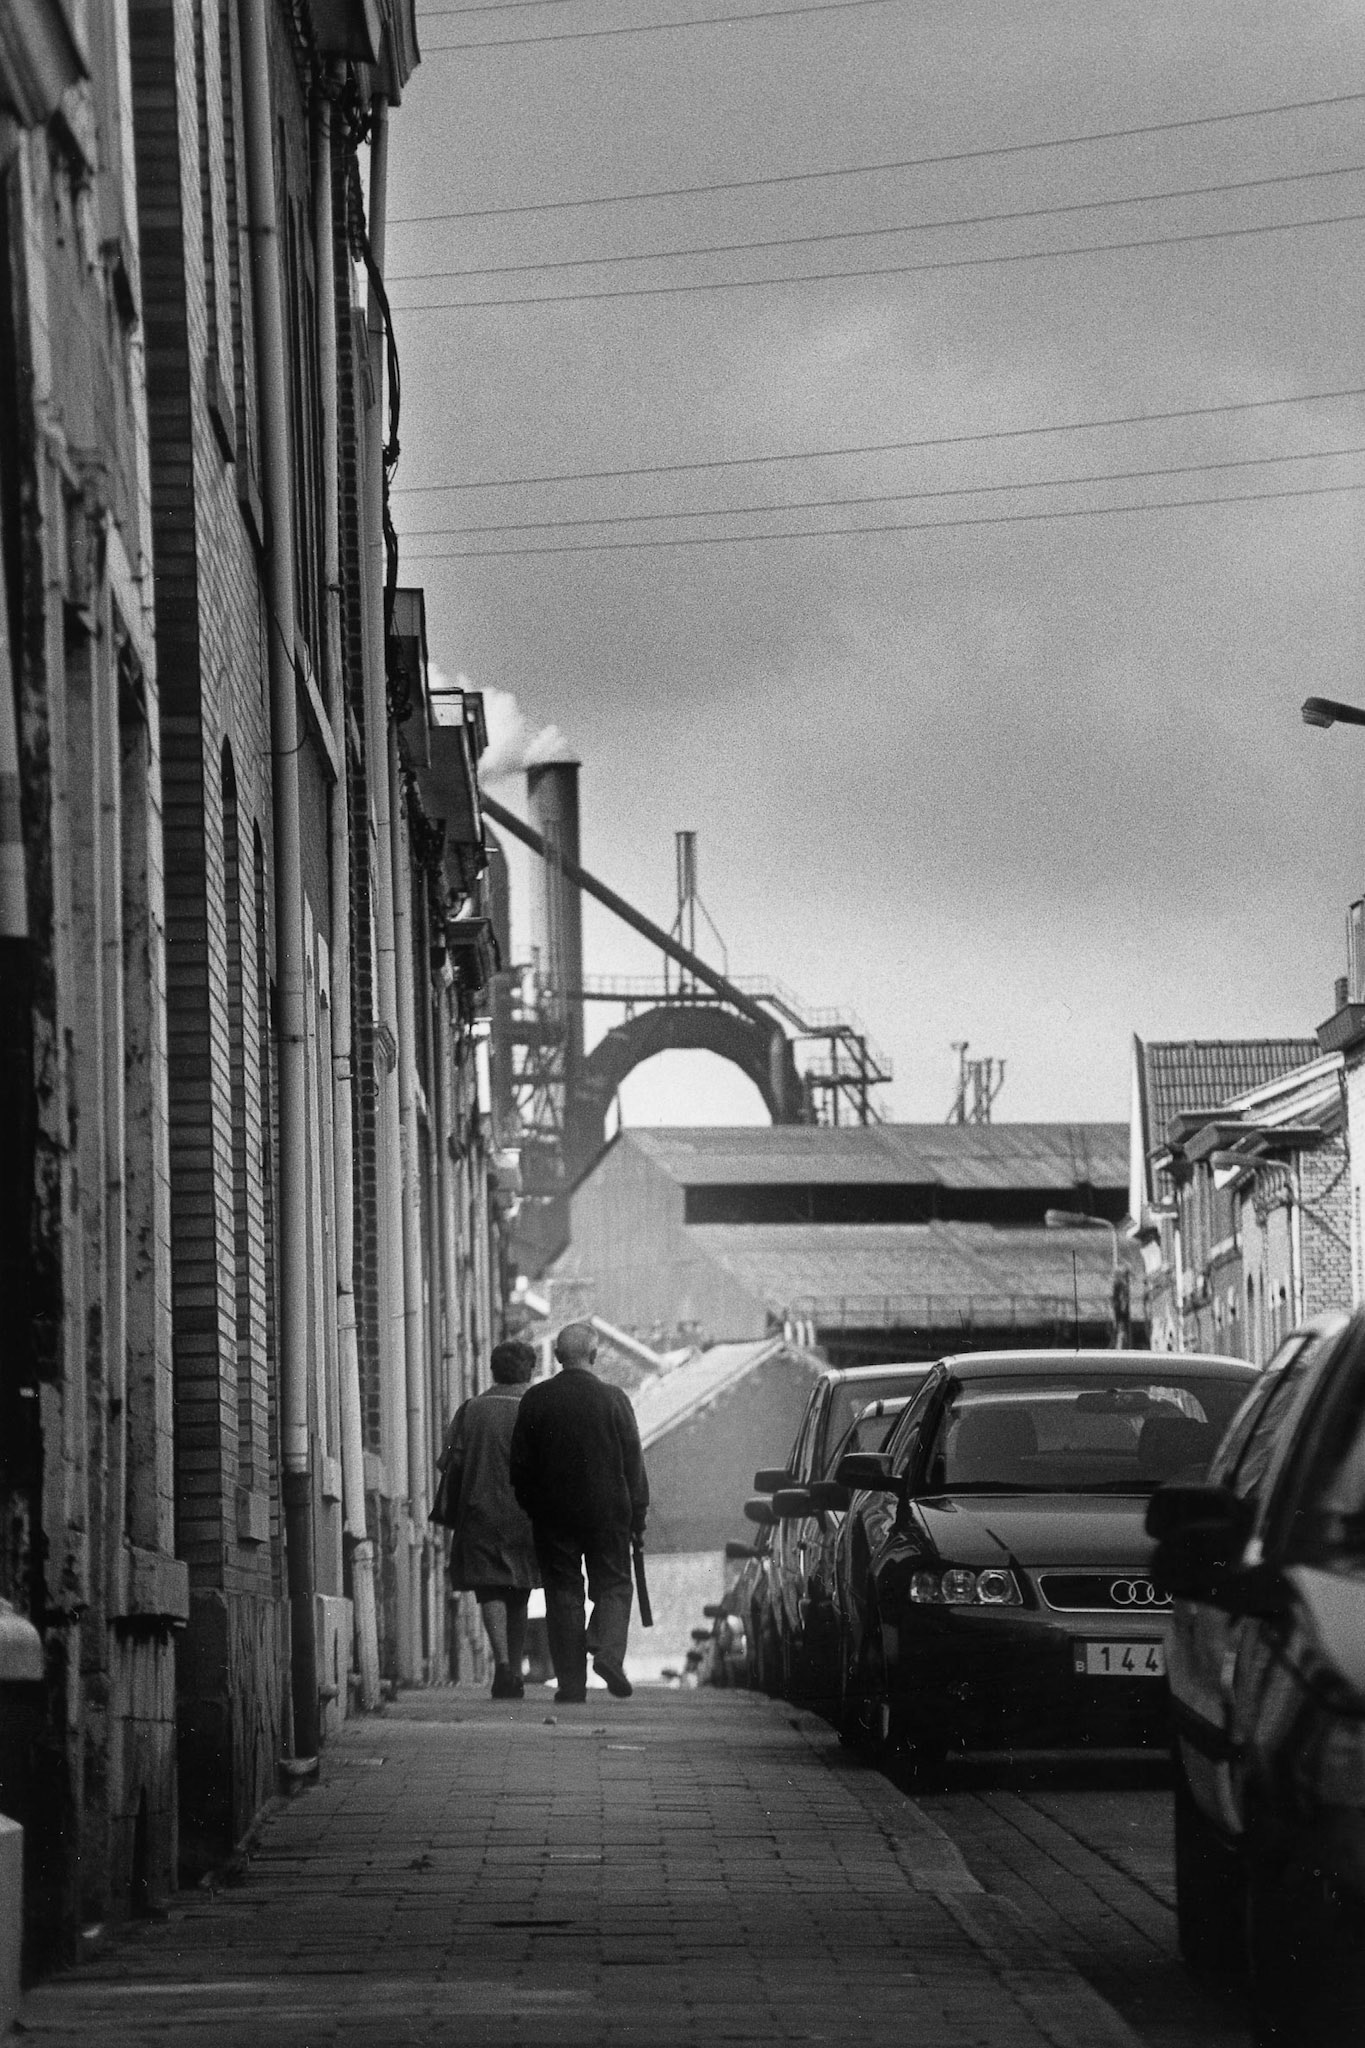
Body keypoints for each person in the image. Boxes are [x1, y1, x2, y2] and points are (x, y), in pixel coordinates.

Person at [509, 1320, 649, 1703]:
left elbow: (519, 1466)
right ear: (594, 1354)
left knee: (563, 1592)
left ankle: (572, 1685)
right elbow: (633, 1463)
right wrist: (638, 1514)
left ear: (556, 1356)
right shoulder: (615, 1399)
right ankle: (608, 1653)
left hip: (553, 1514)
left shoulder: (536, 1400)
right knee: (614, 1584)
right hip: (609, 1513)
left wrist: (535, 1506)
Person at [442, 1338, 540, 1700]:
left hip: (480, 1511)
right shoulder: (538, 1409)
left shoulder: (472, 1410)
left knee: (490, 1590)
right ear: (529, 1370)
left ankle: (502, 1664)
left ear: (493, 1370)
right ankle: (515, 1669)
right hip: (527, 1515)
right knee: (520, 1591)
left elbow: (449, 1461)